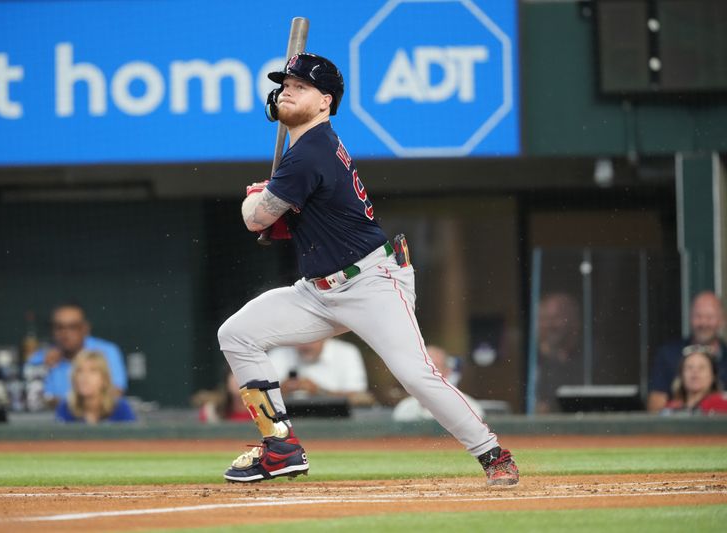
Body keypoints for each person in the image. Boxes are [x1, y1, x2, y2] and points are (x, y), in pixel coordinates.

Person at [216, 52, 518, 486]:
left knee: (416, 374)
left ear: (325, 102)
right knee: (237, 334)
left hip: (371, 282)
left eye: (300, 86)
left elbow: (254, 218)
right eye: (286, 84)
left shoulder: (309, 153)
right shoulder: (307, 152)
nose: (288, 90)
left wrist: (260, 195)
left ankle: (493, 454)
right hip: (318, 291)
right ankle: (280, 445)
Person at [25, 303, 128, 407]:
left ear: (85, 328)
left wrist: (62, 402)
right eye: (59, 327)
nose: (65, 333)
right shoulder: (39, 359)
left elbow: (115, 394)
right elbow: (34, 401)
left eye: (73, 327)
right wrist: (44, 368)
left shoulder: (106, 351)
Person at [648, 291, 727, 413]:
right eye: (698, 316)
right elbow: (656, 409)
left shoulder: (722, 406)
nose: (704, 323)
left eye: (710, 317)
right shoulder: (668, 354)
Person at [393, 345, 485, 421]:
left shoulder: (470, 409)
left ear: (447, 371)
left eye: (435, 366)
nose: (428, 372)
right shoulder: (404, 409)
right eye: (423, 367)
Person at [267, 338, 369, 401]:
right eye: (299, 338)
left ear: (325, 336)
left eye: (311, 339)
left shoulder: (346, 352)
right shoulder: (278, 354)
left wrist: (319, 392)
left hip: (336, 423)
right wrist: (281, 390)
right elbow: (259, 397)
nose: (305, 345)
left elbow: (359, 398)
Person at [55, 350, 136, 423]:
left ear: (104, 379)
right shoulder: (65, 408)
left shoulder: (120, 408)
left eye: (92, 371)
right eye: (80, 371)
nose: (84, 377)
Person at [535, 293, 583, 413]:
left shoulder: (590, 358)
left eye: (555, 318)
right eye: (544, 319)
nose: (549, 325)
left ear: (573, 321)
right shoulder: (531, 359)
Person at [661, 345, 727, 415]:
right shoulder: (671, 409)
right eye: (689, 367)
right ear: (681, 376)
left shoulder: (723, 405)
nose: (695, 371)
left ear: (713, 376)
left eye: (701, 368)